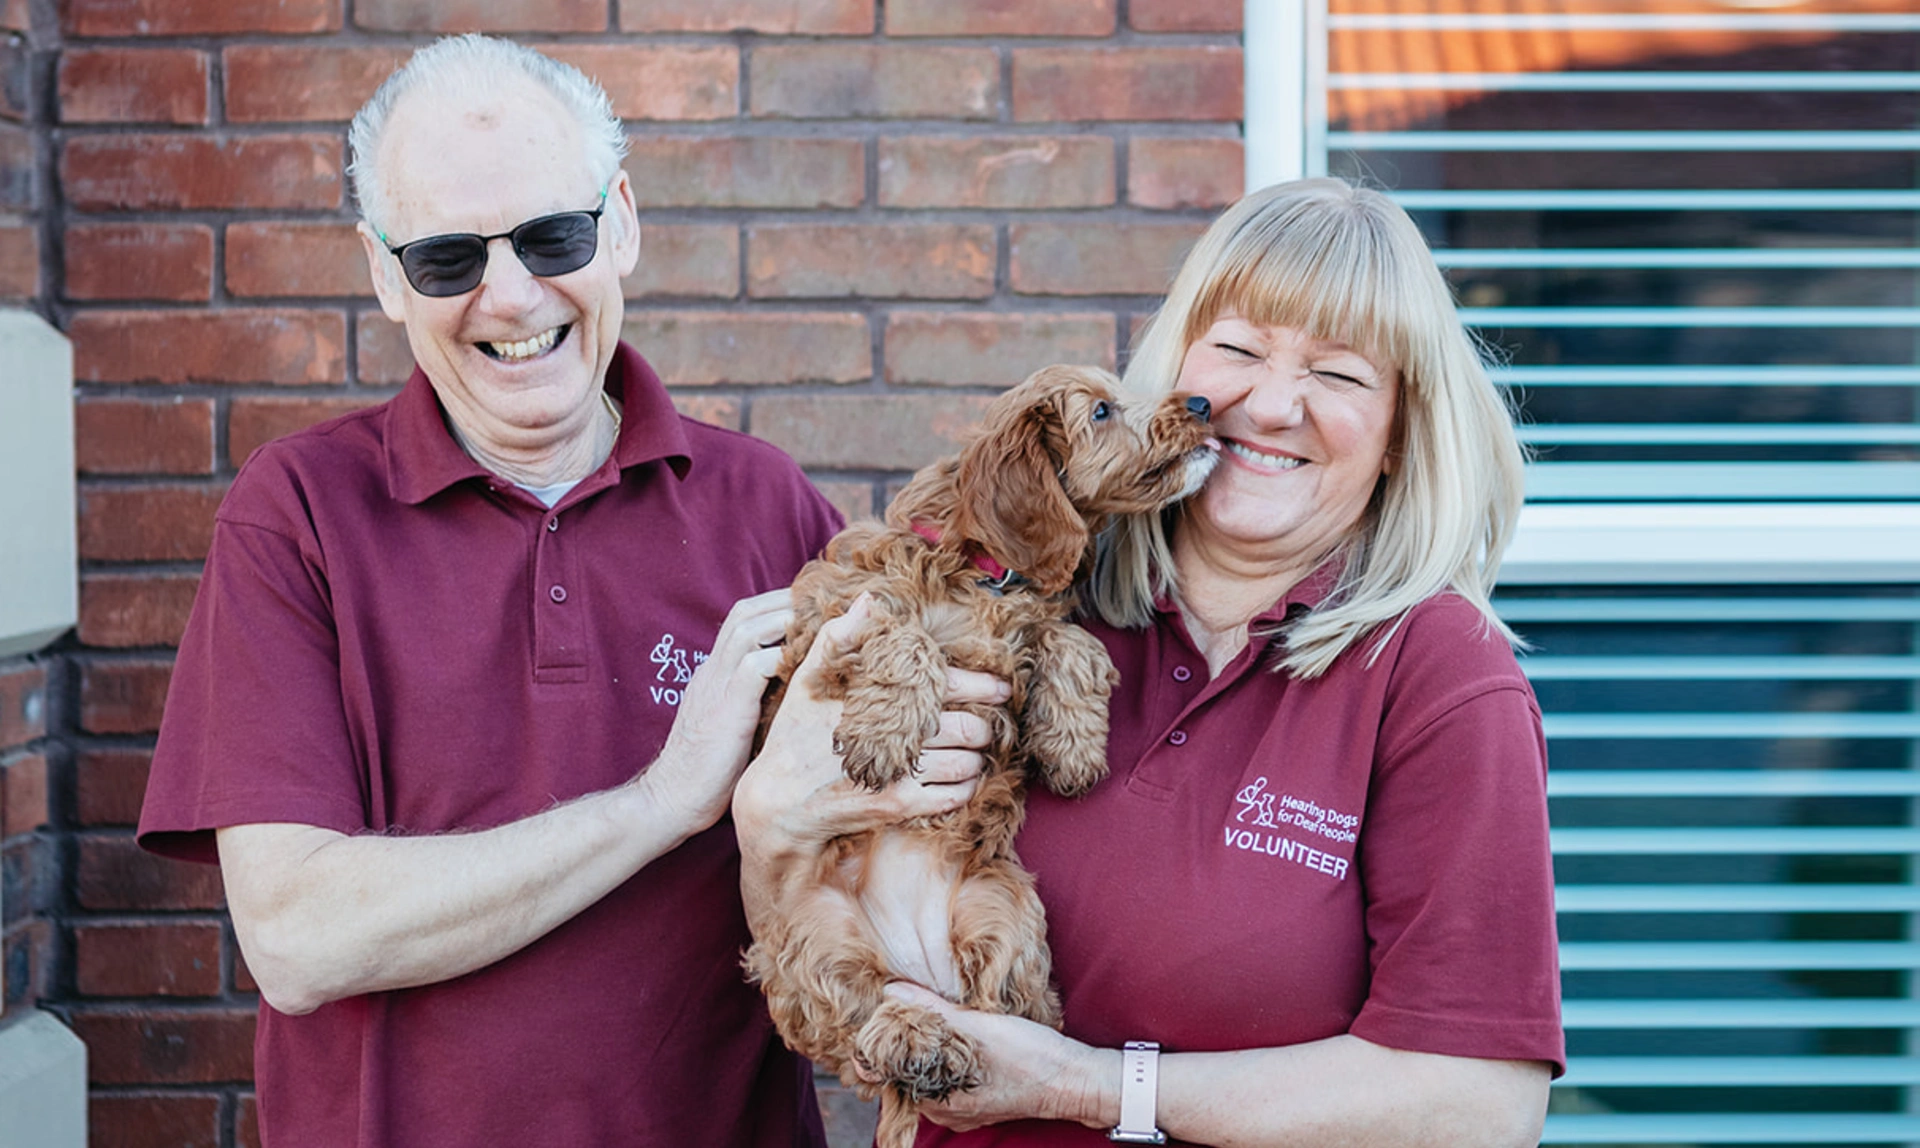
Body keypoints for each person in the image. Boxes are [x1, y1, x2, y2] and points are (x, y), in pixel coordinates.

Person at [136, 35, 995, 1147]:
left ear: (622, 220)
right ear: (384, 276)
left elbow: (906, 852)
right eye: (446, 257)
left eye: (553, 236)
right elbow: (299, 935)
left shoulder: (766, 507)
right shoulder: (296, 514)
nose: (509, 293)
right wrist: (660, 799)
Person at [733, 177, 1564, 1145]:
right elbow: (816, 915)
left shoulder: (1440, 678)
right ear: (1178, 362)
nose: (1274, 404)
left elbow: (1483, 1104)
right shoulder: (1035, 601)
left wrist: (1091, 1085)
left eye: (1338, 374)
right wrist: (765, 821)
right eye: (1242, 348)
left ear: (1396, 435)